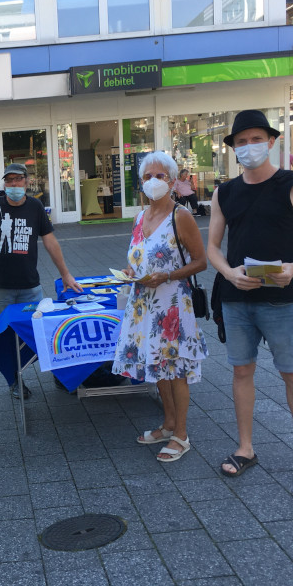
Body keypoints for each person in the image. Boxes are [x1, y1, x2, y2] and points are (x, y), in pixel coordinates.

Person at [208, 110, 293, 487]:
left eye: (255, 139)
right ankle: (245, 448)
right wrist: (228, 273)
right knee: (242, 370)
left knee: (292, 372)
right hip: (236, 296)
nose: (249, 147)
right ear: (232, 148)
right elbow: (212, 247)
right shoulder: (224, 192)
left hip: (281, 296)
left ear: (272, 141)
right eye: (241, 142)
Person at [111, 151, 209, 462]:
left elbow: (201, 262)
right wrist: (130, 272)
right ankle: (167, 425)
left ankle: (181, 434)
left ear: (172, 180)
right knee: (158, 369)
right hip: (143, 304)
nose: (153, 181)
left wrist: (167, 274)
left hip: (171, 306)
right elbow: (138, 257)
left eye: (160, 176)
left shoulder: (181, 216)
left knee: (175, 370)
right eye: (147, 177)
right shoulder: (141, 217)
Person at [0, 163, 82, 399]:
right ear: (3, 185)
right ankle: (14, 380)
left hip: (31, 287)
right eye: (8, 181)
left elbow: (50, 241)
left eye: (18, 180)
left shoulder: (35, 206)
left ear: (27, 182)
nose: (13, 185)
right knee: (3, 339)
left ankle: (59, 376)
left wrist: (65, 274)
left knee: (42, 335)